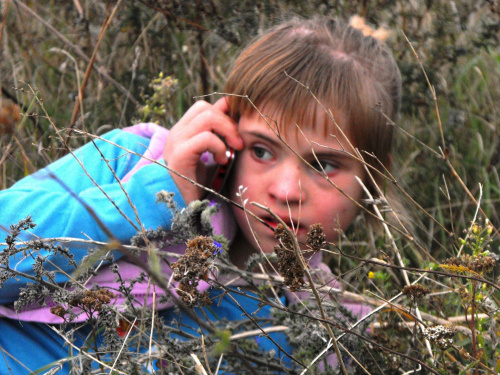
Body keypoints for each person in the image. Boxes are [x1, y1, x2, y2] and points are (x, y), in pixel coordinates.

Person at [0, 15, 401, 374]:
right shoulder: (133, 161)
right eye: (262, 151)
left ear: (373, 178)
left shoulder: (327, 336)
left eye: (324, 165)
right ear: (227, 134)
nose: (284, 190)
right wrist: (151, 196)